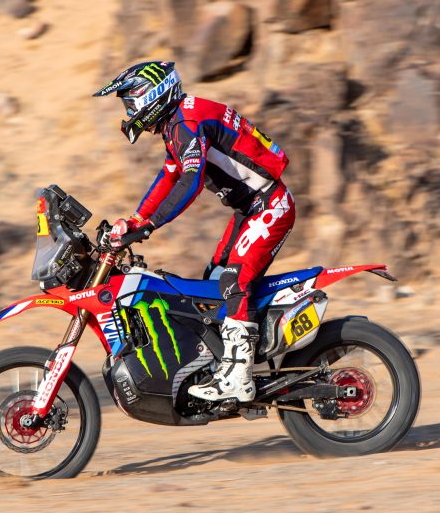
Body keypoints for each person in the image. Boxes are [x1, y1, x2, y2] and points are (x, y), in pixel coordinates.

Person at [93, 61, 295, 403]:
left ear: (151, 95)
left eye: (130, 103)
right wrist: (136, 218)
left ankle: (239, 378)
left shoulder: (186, 122)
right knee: (212, 285)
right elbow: (169, 175)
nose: (128, 112)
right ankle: (227, 360)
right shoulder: (178, 122)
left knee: (233, 281)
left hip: (269, 205)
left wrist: (151, 224)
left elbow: (191, 180)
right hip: (251, 209)